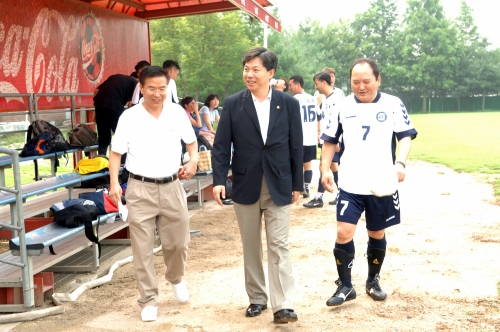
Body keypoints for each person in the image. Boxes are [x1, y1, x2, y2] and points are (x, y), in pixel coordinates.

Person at [212, 47, 302, 324]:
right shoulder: (233, 104)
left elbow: (295, 145)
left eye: (255, 69)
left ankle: (283, 305)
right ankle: (257, 298)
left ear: (271, 73)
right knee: (251, 245)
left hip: (279, 182)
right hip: (244, 183)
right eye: (246, 69)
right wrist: (218, 181)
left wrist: (298, 183)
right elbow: (220, 146)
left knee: (279, 244)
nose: (249, 74)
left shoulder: (288, 104)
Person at [320, 58, 417, 307]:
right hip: (350, 182)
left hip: (381, 183)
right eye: (355, 82)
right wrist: (325, 169)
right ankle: (345, 286)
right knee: (343, 231)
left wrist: (400, 164)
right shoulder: (341, 106)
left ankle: (373, 281)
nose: (361, 87)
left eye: (366, 81)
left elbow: (405, 137)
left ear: (378, 79)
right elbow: (330, 140)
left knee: (376, 232)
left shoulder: (393, 104)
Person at [108, 66, 199, 322]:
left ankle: (176, 278)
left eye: (162, 88)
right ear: (142, 87)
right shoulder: (129, 117)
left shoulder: (177, 112)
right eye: (152, 88)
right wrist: (114, 182)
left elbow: (191, 142)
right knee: (142, 249)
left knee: (178, 243)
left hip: (172, 186)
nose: (157, 93)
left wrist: (192, 161)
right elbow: (115, 153)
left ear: (168, 87)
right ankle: (148, 300)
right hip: (139, 189)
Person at [303, 71, 342, 208]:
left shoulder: (336, 99)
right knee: (330, 166)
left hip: (333, 141)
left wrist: (338, 140)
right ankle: (341, 193)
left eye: (317, 83)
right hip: (326, 140)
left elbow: (340, 122)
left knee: (324, 166)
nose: (316, 87)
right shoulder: (325, 99)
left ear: (324, 82)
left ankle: (319, 198)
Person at [288, 75, 321, 204]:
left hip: (299, 137)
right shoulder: (312, 98)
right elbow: (319, 117)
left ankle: (297, 187)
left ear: (297, 84)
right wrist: (318, 133)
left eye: (291, 85)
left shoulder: (294, 100)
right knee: (308, 164)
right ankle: (306, 188)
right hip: (311, 137)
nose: (289, 88)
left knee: (295, 163)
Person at [93, 74, 137, 155]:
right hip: (114, 105)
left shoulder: (114, 77)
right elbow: (131, 104)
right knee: (122, 136)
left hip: (99, 105)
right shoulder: (135, 84)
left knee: (103, 138)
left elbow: (96, 91)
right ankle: (123, 163)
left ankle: (101, 160)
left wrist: (97, 112)